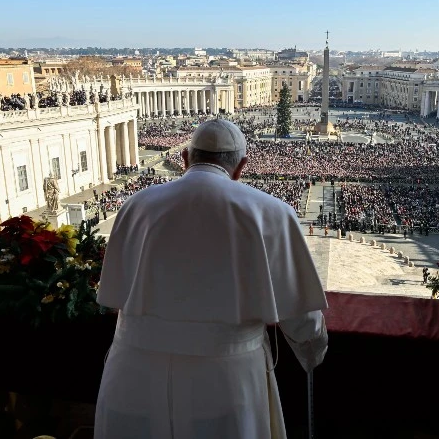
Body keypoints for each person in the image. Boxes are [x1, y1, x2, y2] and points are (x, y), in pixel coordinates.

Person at [95, 119, 329, 439]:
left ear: (186, 159)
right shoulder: (271, 212)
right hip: (225, 380)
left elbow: (112, 296)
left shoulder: (136, 205)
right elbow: (302, 320)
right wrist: (314, 353)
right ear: (241, 167)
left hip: (132, 373)